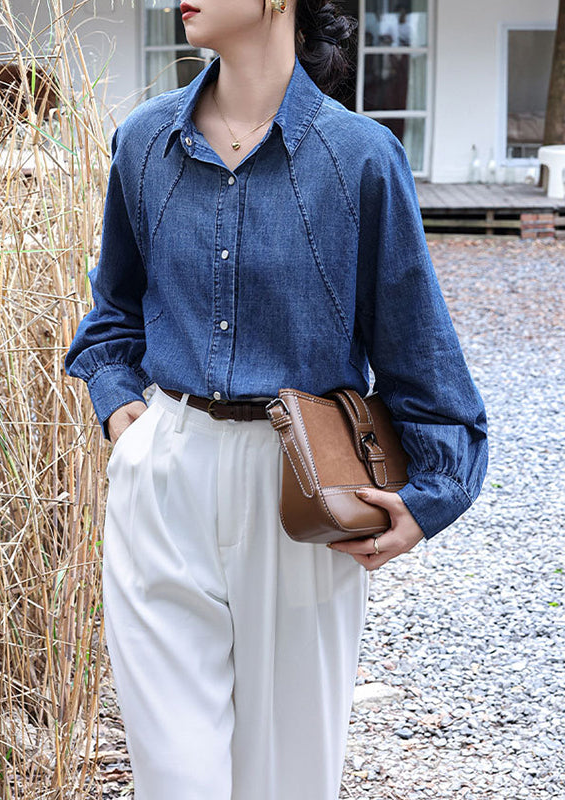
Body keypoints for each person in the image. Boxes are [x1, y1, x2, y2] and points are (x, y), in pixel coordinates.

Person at [64, 0, 488, 797]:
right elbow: (114, 310)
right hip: (166, 473)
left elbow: (416, 345)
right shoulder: (144, 141)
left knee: (287, 778)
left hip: (303, 488)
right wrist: (125, 414)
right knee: (175, 779)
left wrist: (432, 495)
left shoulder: (360, 158)